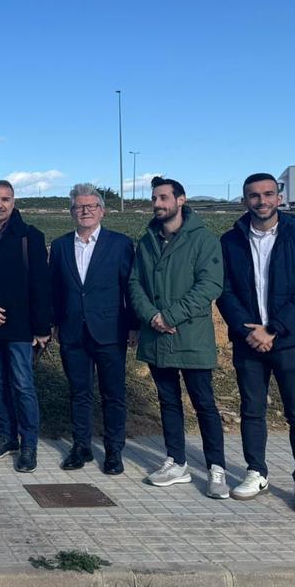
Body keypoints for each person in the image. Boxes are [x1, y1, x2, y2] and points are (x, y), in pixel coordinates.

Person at [217, 172, 295, 515]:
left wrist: (274, 329)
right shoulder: (230, 241)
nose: (261, 201)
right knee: (251, 410)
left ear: (278, 197)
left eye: (268, 194)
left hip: (292, 339)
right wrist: (246, 328)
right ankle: (256, 472)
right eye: (254, 195)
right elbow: (224, 289)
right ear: (244, 200)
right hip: (248, 339)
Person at [129, 176, 228, 499]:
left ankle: (216, 468)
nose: (157, 204)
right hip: (157, 337)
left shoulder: (203, 240)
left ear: (180, 200)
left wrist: (170, 316)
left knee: (204, 404)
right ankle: (176, 461)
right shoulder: (147, 241)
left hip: (190, 336)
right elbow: (135, 284)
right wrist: (152, 316)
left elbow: (209, 285)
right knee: (168, 401)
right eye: (154, 199)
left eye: (163, 198)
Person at [49, 183, 136, 474]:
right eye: (79, 206)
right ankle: (81, 447)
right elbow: (56, 290)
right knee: (79, 392)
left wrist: (134, 325)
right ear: (71, 212)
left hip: (110, 331)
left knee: (113, 394)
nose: (85, 211)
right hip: (73, 331)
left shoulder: (120, 244)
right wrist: (55, 323)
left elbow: (130, 287)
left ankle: (113, 451)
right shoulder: (60, 245)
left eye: (91, 206)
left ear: (102, 210)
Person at [0, 180, 52, 473]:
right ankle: (7, 437)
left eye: (5, 199)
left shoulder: (30, 236)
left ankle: (28, 444)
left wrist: (42, 328)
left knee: (23, 385)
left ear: (14, 202)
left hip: (20, 326)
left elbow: (41, 284)